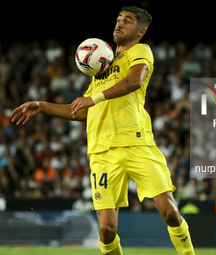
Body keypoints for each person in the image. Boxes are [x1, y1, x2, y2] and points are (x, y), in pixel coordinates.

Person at [11, 6, 195, 255]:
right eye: (118, 19)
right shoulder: (102, 69)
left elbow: (134, 81)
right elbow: (82, 110)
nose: (119, 24)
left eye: (127, 21)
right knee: (106, 231)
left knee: (170, 212)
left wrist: (93, 98)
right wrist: (42, 106)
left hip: (136, 144)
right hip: (102, 153)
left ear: (140, 31)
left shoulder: (140, 51)